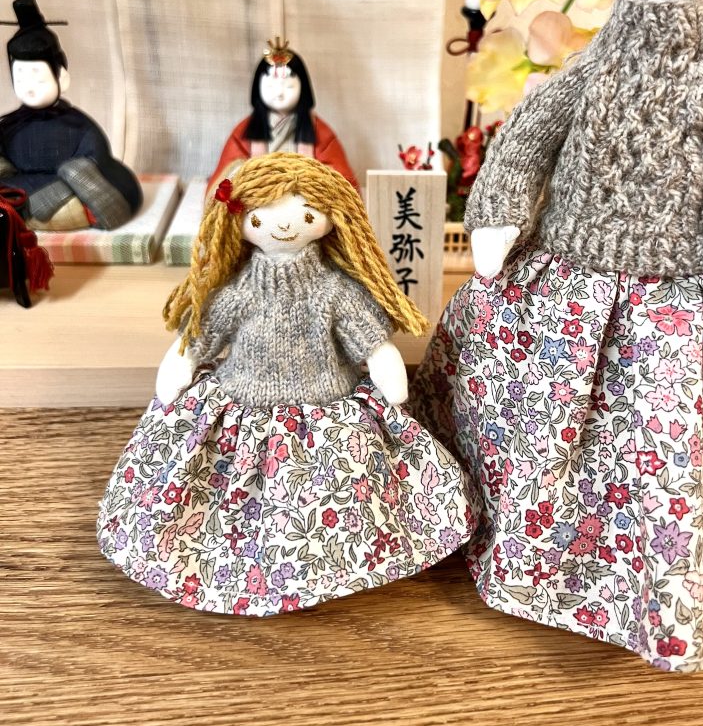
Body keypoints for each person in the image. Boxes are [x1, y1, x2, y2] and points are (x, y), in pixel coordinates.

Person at [412, 0, 703, 672]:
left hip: (679, 289)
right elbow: (530, 133)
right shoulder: (593, 62)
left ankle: (648, 577)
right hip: (566, 265)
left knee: (662, 425)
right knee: (509, 375)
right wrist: (497, 213)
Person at [98, 153, 473, 615]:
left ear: (331, 219)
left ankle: (339, 562)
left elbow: (370, 341)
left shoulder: (335, 291)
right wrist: (183, 361)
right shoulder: (236, 293)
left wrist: (384, 364)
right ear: (237, 222)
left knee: (340, 489)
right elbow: (200, 337)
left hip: (328, 409)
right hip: (241, 405)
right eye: (260, 218)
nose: (282, 227)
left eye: (306, 215)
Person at [0, 0, 142, 230]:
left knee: (76, 174)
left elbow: (91, 167)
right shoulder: (10, 127)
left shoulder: (78, 128)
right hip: (20, 188)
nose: (30, 86)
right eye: (21, 78)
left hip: (66, 190)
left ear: (62, 77)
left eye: (38, 76)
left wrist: (68, 179)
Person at [206, 37, 358, 193]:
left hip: (303, 201)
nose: (279, 93)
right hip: (258, 201)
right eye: (271, 86)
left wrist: (315, 179)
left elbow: (341, 179)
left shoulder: (319, 132)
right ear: (258, 88)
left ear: (303, 88)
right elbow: (224, 176)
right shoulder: (243, 132)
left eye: (289, 86)